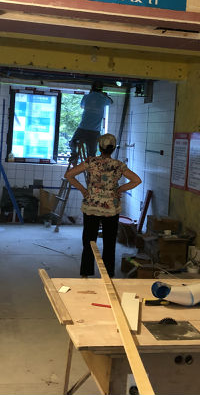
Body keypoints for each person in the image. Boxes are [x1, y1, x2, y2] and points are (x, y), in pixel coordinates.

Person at [65, 133, 142, 277]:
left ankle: (86, 273)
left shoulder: (91, 162)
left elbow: (69, 175)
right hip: (111, 209)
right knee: (109, 242)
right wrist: (120, 189)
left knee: (89, 241)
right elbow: (137, 180)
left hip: (91, 207)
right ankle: (108, 274)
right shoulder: (118, 165)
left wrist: (83, 190)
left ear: (100, 147)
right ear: (113, 148)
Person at [69, 81, 113, 159]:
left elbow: (82, 106)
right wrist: (105, 95)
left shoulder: (86, 97)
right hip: (94, 131)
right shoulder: (103, 98)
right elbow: (111, 102)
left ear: (92, 88)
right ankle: (91, 164)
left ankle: (74, 154)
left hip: (82, 128)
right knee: (91, 153)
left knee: (72, 142)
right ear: (101, 89)